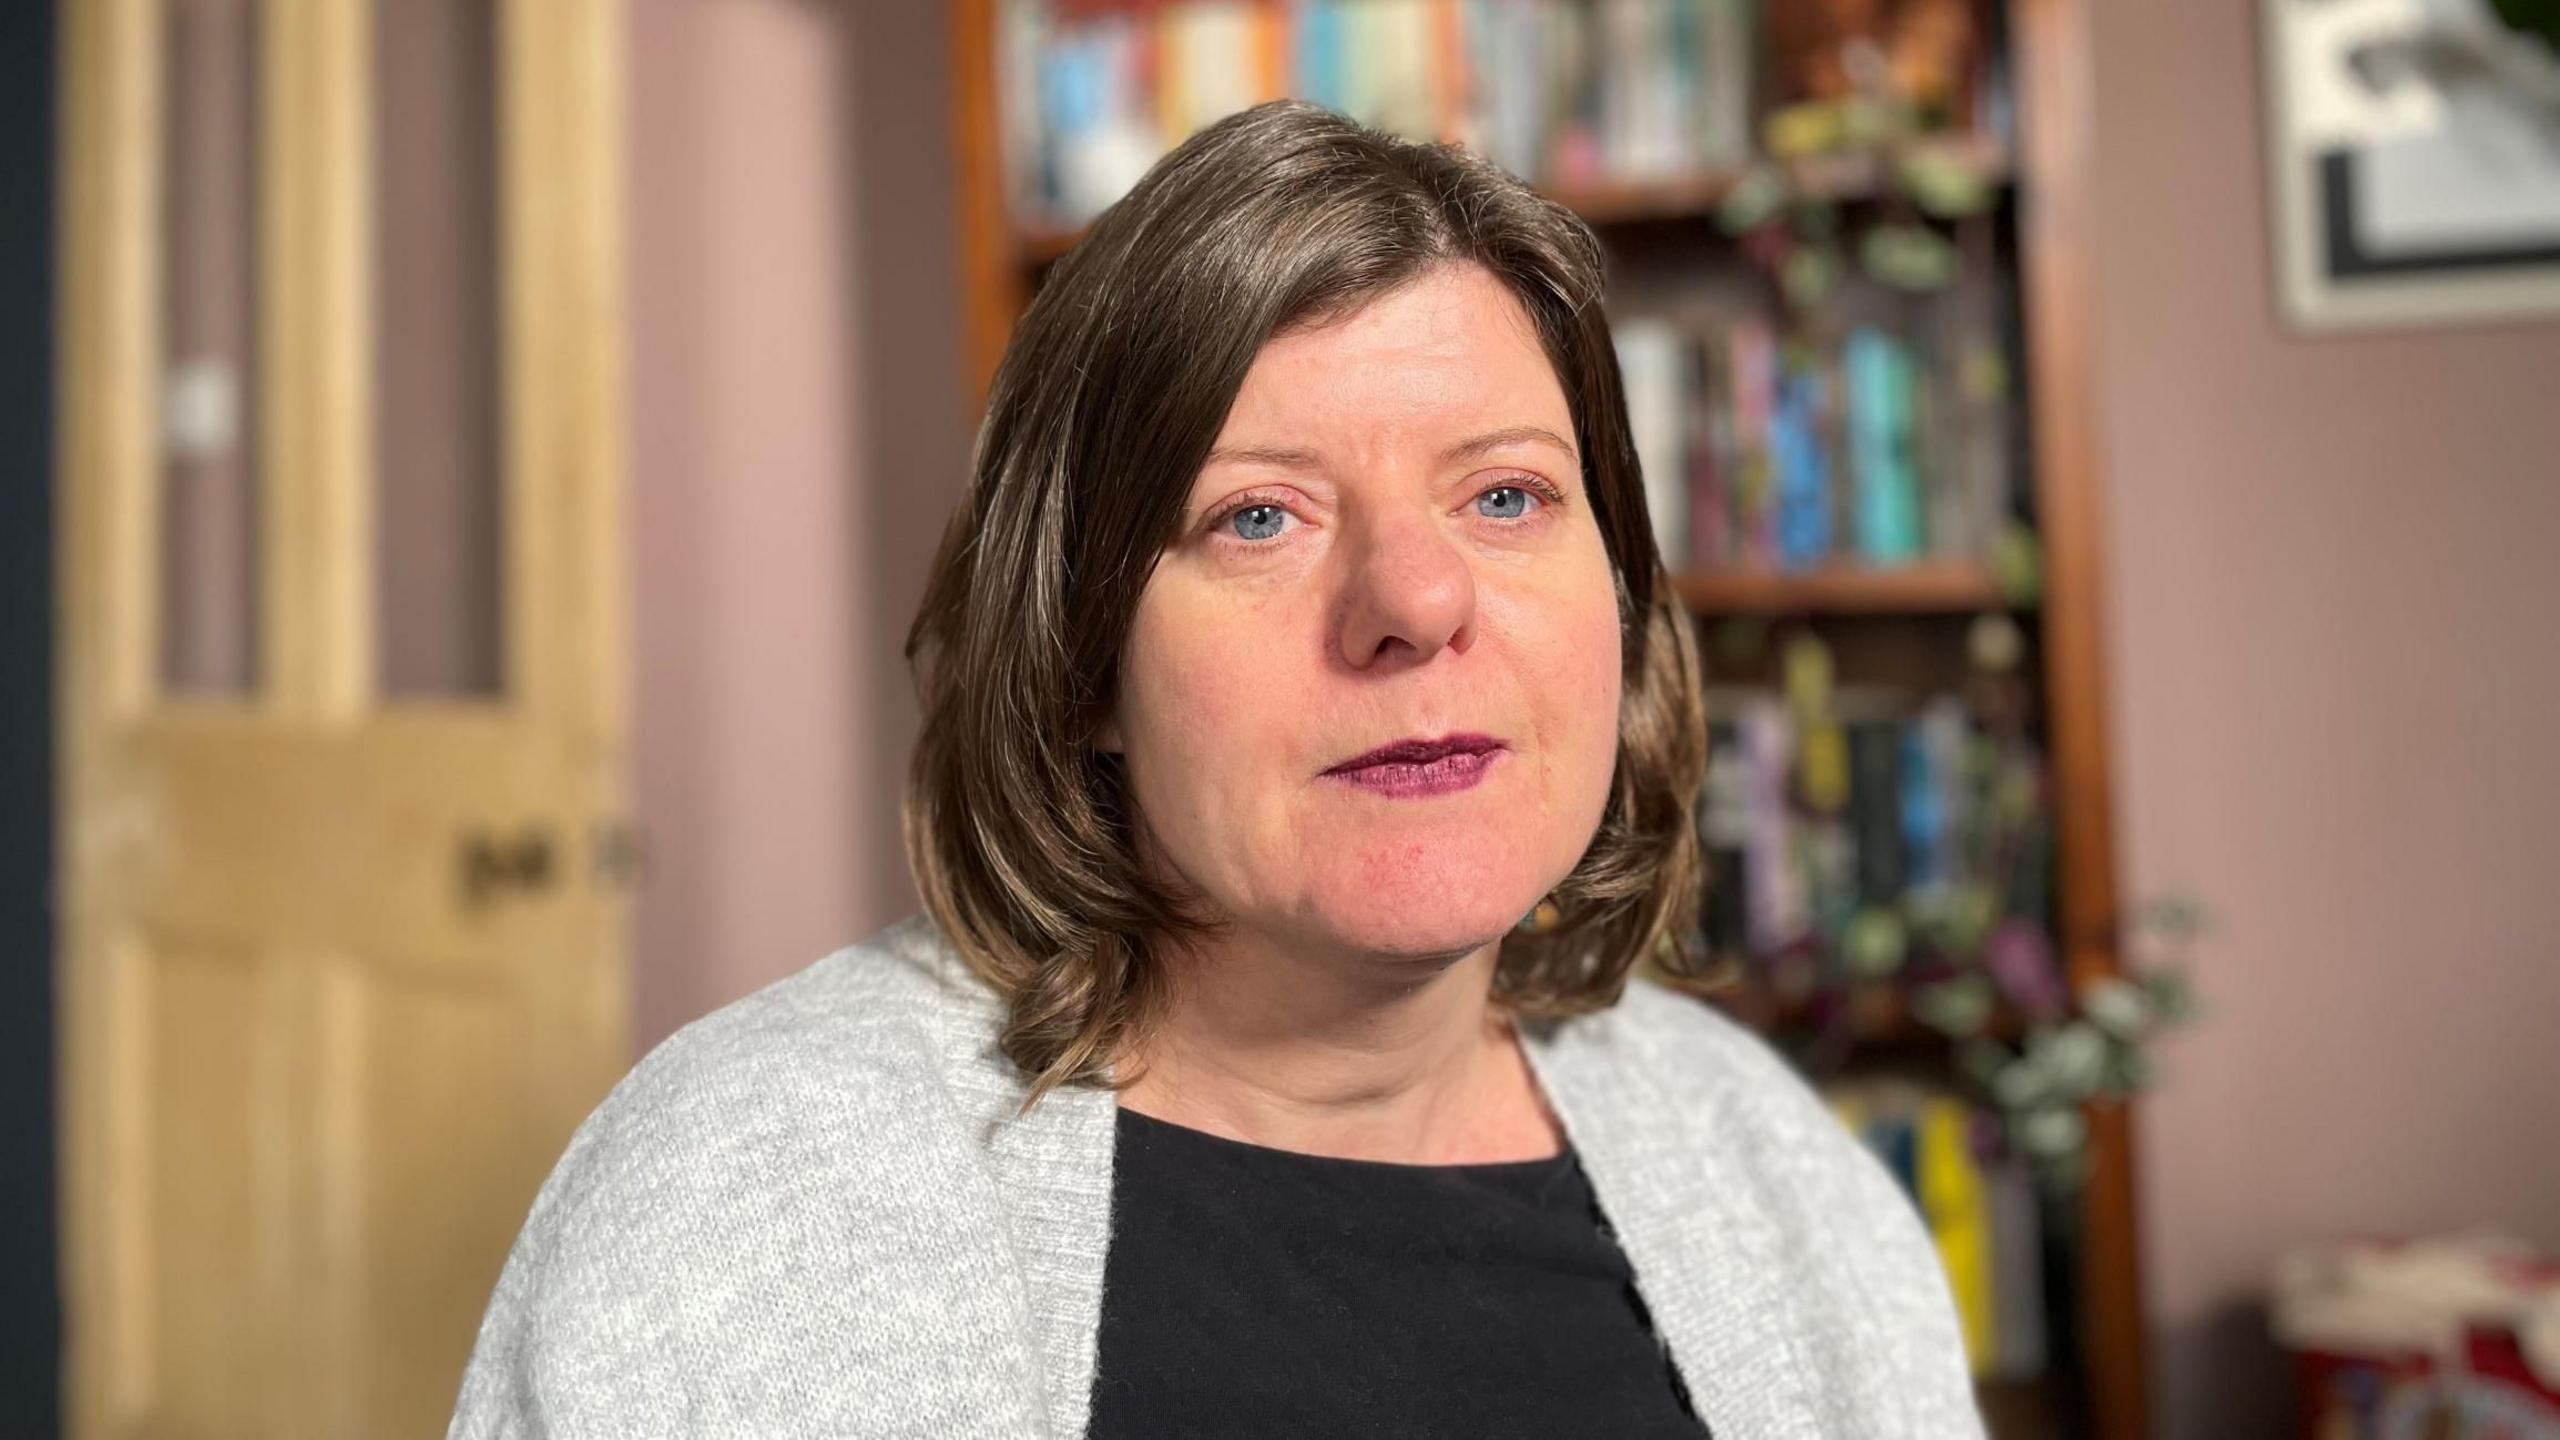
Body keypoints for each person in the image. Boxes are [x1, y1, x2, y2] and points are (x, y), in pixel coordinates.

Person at [448, 99, 1978, 1439]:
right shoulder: (751, 1197)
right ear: (1080, 666)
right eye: (1257, 517)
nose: (1417, 599)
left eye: (1506, 495)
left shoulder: (1775, 1171)